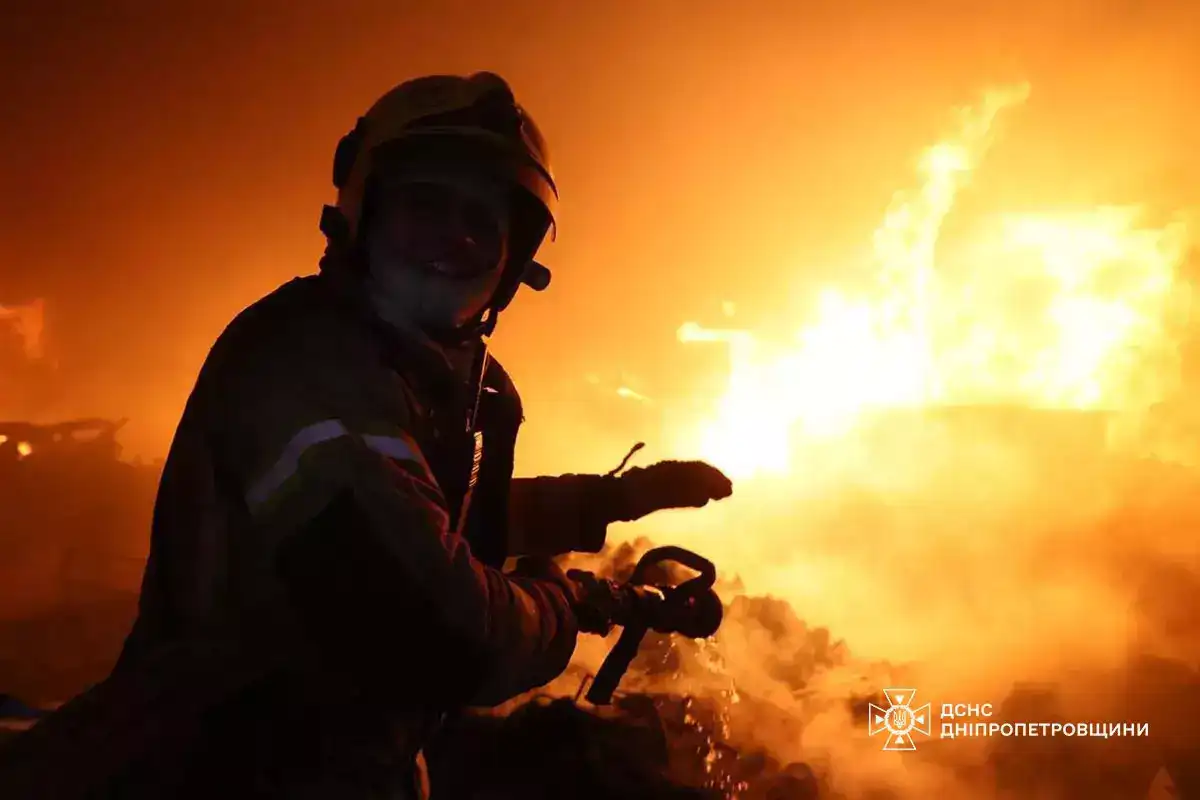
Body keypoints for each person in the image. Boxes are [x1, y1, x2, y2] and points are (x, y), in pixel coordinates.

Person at [0, 72, 731, 799]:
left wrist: (612, 500)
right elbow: (441, 632)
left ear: (514, 259)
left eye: (481, 221)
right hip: (218, 768)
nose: (454, 238)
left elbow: (431, 513)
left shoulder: (432, 372)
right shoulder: (304, 367)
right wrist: (568, 602)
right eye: (425, 205)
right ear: (363, 213)